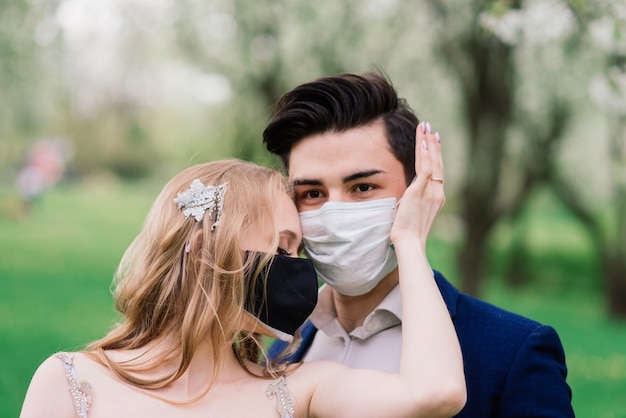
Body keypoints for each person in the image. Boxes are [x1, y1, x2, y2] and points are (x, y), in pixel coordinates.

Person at [20, 158, 465, 418]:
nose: (297, 273)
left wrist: (408, 241)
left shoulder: (300, 389)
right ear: (203, 247)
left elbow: (438, 391)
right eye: (282, 248)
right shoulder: (70, 381)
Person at [263, 72, 575, 417]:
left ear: (419, 189)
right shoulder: (282, 347)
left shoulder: (512, 351)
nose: (335, 212)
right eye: (313, 194)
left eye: (363, 187)